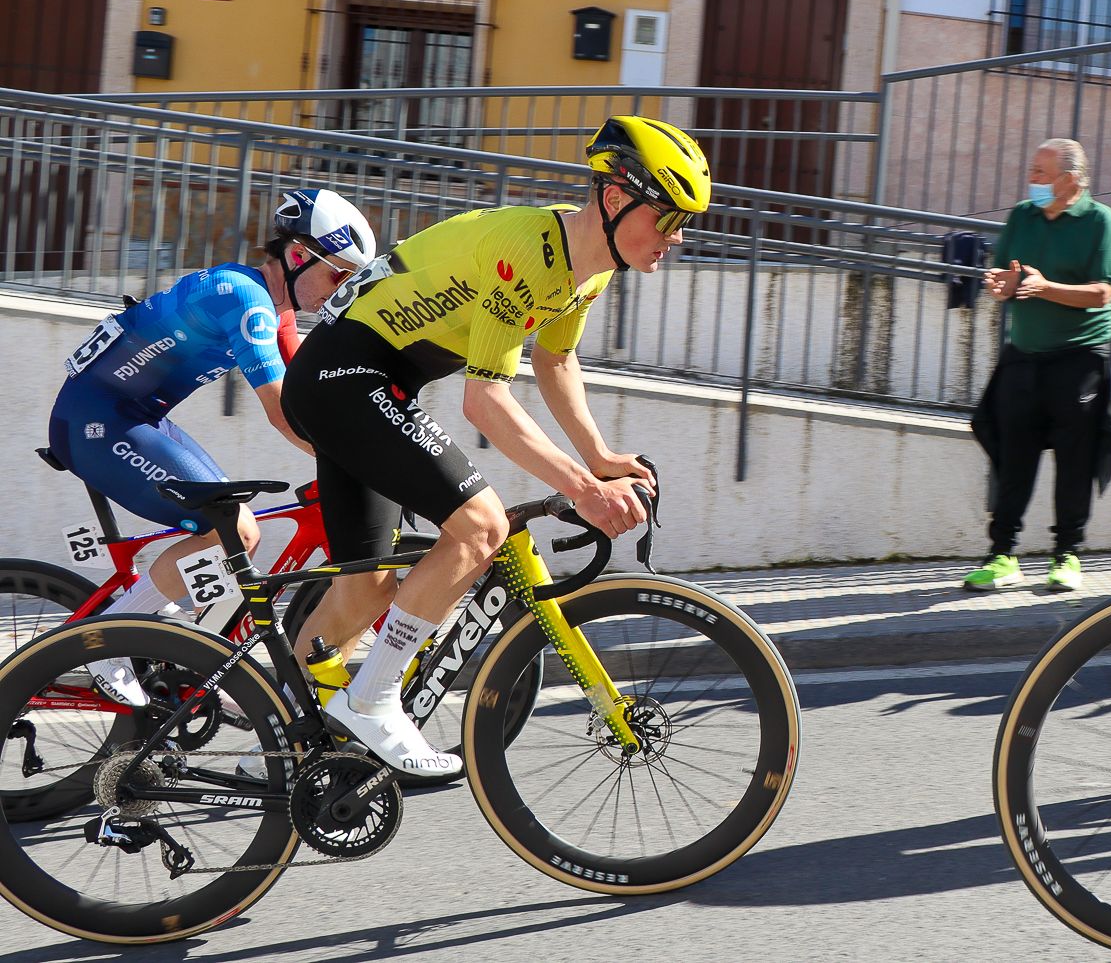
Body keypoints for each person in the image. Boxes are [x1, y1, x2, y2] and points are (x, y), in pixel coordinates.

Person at [283, 117, 699, 776]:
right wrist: (584, 491)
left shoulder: (589, 269)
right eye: (669, 218)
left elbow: (556, 360)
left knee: (363, 595)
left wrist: (598, 458)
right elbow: (485, 401)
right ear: (617, 199)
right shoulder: (530, 251)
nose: (677, 237)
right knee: (480, 527)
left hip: (360, 382)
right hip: (346, 377)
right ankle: (373, 698)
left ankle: (283, 750)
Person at [50, 189, 376, 704]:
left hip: (135, 416)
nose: (342, 290)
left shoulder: (276, 309)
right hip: (95, 423)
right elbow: (280, 408)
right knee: (232, 528)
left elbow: (310, 392)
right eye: (339, 276)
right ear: (298, 255)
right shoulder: (244, 299)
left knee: (237, 534)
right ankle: (107, 642)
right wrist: (357, 463)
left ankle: (184, 654)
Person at [965, 138, 1111, 593]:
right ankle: (1002, 555)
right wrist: (1002, 285)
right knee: (1012, 454)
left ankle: (1067, 554)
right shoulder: (1022, 215)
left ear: (1070, 179)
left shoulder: (1100, 221)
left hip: (1079, 356)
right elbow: (1006, 276)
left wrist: (1045, 287)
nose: (1031, 179)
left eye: (1041, 172)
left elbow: (1103, 292)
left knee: (1075, 459)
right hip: (1024, 354)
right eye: (1032, 170)